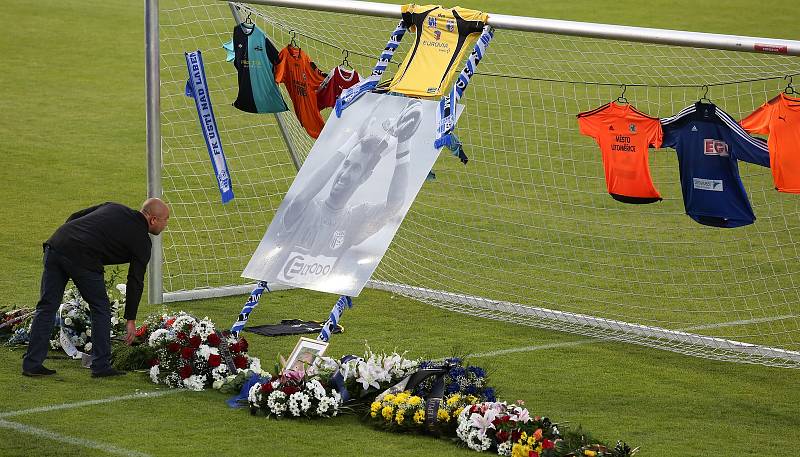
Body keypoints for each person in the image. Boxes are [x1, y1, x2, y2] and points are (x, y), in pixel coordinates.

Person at [257, 98, 424, 286]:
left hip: (315, 291)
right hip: (275, 285)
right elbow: (301, 198)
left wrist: (404, 142)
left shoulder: (355, 218)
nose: (344, 174)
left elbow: (394, 205)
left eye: (355, 169)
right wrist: (354, 138)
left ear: (365, 177)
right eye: (346, 164)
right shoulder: (308, 207)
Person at [22, 198, 169, 378]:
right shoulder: (142, 241)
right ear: (153, 219)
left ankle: (32, 364)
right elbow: (135, 281)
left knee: (46, 306)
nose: (166, 225)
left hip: (57, 243)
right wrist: (130, 319)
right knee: (100, 308)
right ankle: (100, 365)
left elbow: (75, 216)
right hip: (83, 257)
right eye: (165, 220)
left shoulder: (114, 206)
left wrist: (71, 240)